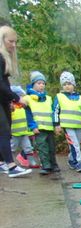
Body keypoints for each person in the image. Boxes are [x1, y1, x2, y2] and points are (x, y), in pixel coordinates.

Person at [0, 25, 31, 178]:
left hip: (3, 100)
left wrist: (9, 101)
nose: (14, 45)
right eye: (10, 41)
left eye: (15, 42)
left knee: (4, 131)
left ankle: (2, 163)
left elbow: (4, 85)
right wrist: (17, 98)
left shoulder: (4, 59)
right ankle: (11, 166)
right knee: (4, 131)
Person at [53, 71, 81, 172]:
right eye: (64, 84)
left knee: (76, 144)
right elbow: (55, 111)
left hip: (78, 126)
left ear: (73, 85)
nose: (67, 86)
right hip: (67, 126)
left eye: (69, 83)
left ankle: (71, 160)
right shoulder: (59, 97)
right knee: (75, 144)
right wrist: (57, 124)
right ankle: (79, 162)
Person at [25, 71, 59, 175]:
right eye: (39, 83)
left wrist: (56, 125)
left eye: (43, 83)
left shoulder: (48, 98)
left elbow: (53, 112)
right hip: (39, 128)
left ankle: (54, 164)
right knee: (42, 147)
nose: (41, 85)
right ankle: (46, 165)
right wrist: (33, 126)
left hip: (49, 128)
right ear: (33, 84)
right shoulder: (28, 99)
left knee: (51, 147)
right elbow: (28, 115)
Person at [10, 86, 39, 169]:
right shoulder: (10, 107)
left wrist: (31, 130)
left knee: (28, 148)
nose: (22, 98)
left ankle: (32, 162)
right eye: (21, 96)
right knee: (11, 148)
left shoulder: (24, 107)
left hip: (24, 133)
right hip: (14, 133)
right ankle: (8, 163)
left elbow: (29, 118)